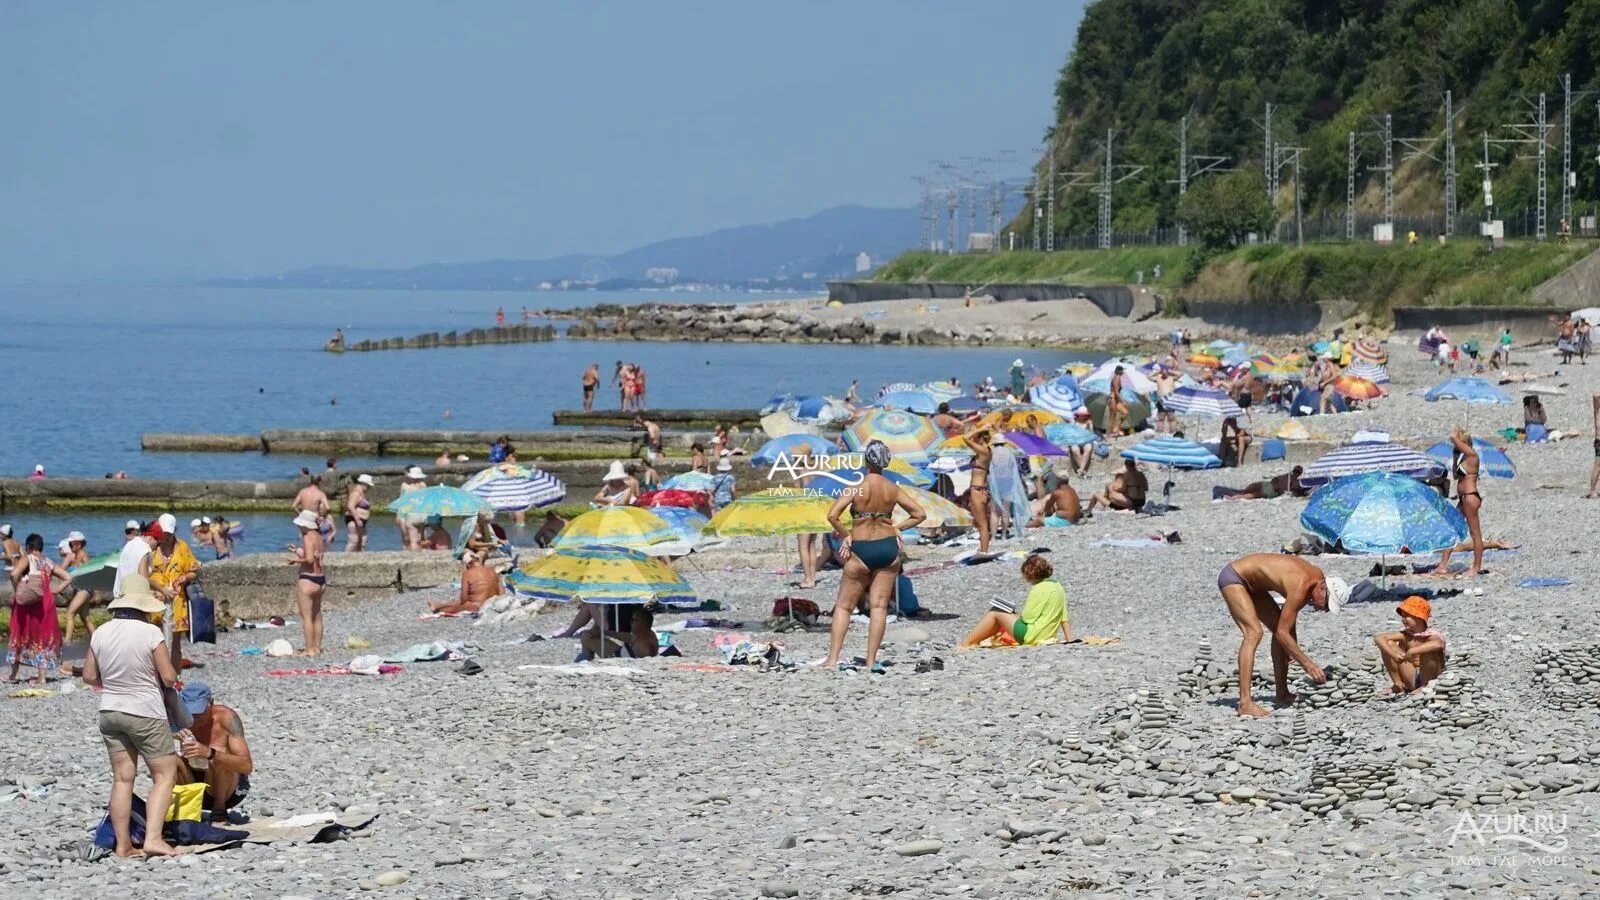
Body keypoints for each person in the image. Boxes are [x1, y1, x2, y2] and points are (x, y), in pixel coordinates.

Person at [82, 575, 181, 857]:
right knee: (164, 774)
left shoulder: (101, 632)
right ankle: (153, 838)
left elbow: (89, 675)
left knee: (123, 779)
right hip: (145, 711)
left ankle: (123, 844)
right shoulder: (150, 632)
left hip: (110, 710)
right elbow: (169, 676)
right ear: (144, 605)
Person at [820, 441, 926, 674]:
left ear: (866, 460)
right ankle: (870, 661)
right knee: (879, 607)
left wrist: (847, 535)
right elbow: (919, 514)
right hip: (887, 548)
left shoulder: (856, 487)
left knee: (845, 607)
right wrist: (897, 526)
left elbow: (833, 515)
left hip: (861, 548)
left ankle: (832, 659)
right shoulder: (893, 488)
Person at [1216, 554, 1346, 718]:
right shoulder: (1302, 585)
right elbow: (1283, 633)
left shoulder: (1315, 580)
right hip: (1234, 577)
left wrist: (1291, 649)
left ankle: (1282, 693)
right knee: (1253, 633)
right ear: (1322, 589)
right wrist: (1308, 665)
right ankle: (1245, 703)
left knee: (1279, 627)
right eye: (1327, 604)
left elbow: (1288, 625)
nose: (1325, 610)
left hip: (1254, 585)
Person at [175, 682, 253, 823]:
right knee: (169, 759)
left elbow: (246, 766)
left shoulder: (227, 718)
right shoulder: (178, 717)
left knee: (219, 754)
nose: (195, 718)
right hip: (193, 785)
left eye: (200, 712)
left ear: (211, 703)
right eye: (190, 712)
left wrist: (209, 753)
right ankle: (178, 810)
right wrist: (169, 733)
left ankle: (219, 810)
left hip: (228, 791)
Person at [957, 554, 1070, 648]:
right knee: (1002, 614)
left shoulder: (1038, 588)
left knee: (995, 612)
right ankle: (975, 641)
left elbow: (1027, 618)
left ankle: (966, 643)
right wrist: (1069, 640)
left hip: (1031, 635)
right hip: (1047, 635)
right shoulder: (1058, 586)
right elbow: (1064, 617)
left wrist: (1014, 614)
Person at [7, 534, 67, 683]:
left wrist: (18, 591)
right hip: (46, 603)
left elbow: (14, 574)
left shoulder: (27, 558)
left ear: (28, 547)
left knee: (19, 634)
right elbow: (68, 577)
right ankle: (42, 677)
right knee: (43, 639)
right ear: (41, 547)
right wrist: (56, 589)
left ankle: (13, 675)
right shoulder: (48, 562)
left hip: (27, 605)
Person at [1431, 427, 1485, 576]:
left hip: (1470, 497)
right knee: (1451, 529)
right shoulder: (1461, 457)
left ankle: (1476, 567)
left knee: (1475, 534)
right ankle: (1443, 565)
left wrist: (1456, 433)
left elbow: (1453, 437)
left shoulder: (1473, 456)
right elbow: (1456, 476)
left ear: (1465, 443)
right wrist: (1455, 454)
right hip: (1463, 498)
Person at [1373, 596, 1447, 695]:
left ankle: (1424, 686)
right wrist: (1394, 655)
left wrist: (1412, 651)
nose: (1403, 619)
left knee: (1428, 650)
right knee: (1389, 643)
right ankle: (1398, 685)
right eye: (1402, 616)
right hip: (1411, 677)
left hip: (1431, 679)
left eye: (1406, 616)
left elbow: (1437, 644)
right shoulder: (1406, 635)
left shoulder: (1431, 635)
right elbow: (1378, 638)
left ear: (1419, 617)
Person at [288, 510, 325, 656]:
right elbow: (314, 556)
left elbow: (309, 560)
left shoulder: (307, 536)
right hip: (320, 580)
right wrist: (297, 551)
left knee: (307, 616)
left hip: (308, 580)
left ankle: (309, 649)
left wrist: (295, 560)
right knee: (317, 615)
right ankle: (317, 647)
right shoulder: (319, 537)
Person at [429, 551, 501, 615]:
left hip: (478, 606)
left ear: (468, 565)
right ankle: (437, 605)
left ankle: (438, 608)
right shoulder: (492, 571)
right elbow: (502, 593)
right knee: (460, 602)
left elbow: (463, 599)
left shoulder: (468, 573)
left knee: (457, 607)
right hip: (493, 604)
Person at [62, 531, 98, 646]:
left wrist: (96, 592)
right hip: (79, 589)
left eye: (71, 544)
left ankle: (67, 640)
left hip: (85, 589)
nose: (69, 546)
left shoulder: (84, 556)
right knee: (85, 617)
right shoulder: (72, 556)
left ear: (78, 544)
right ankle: (96, 639)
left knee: (70, 613)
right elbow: (61, 569)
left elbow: (92, 572)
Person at [963, 426, 994, 553]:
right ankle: (983, 548)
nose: (973, 439)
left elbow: (965, 438)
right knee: (980, 523)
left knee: (982, 525)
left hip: (978, 490)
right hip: (980, 490)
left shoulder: (984, 451)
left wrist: (980, 428)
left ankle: (984, 551)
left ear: (980, 438)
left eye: (976, 437)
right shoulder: (985, 451)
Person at [1213, 466, 1307, 501]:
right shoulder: (1298, 482)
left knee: (1248, 491)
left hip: (1269, 485)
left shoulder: (1289, 476)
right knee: (1254, 494)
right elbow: (1296, 491)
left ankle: (1237, 495)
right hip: (1273, 490)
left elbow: (1276, 480)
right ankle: (1237, 497)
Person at [292, 474, 335, 546]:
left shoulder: (303, 491)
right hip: (314, 518)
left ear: (310, 481)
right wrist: (322, 517)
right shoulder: (320, 494)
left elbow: (294, 506)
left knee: (305, 538)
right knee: (315, 539)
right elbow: (328, 508)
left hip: (303, 518)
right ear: (320, 482)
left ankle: (306, 553)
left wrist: (300, 515)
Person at [397, 467, 427, 550]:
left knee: (412, 540)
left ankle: (413, 556)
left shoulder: (406, 487)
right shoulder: (423, 485)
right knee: (422, 538)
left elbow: (401, 502)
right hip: (422, 514)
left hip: (411, 514)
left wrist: (399, 516)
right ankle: (423, 554)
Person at [344, 474, 374, 552]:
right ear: (363, 484)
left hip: (361, 520)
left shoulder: (361, 492)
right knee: (353, 540)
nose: (369, 488)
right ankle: (344, 557)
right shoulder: (356, 493)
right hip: (354, 519)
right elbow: (350, 506)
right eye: (368, 486)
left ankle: (359, 558)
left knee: (363, 541)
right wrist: (357, 519)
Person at [1105, 366, 1129, 436]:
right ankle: (1108, 435)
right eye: (1122, 370)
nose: (1123, 372)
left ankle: (1116, 428)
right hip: (1112, 399)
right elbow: (1116, 391)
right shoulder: (1117, 378)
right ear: (1119, 371)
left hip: (1116, 399)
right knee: (1112, 417)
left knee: (1125, 412)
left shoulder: (1117, 377)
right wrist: (1122, 401)